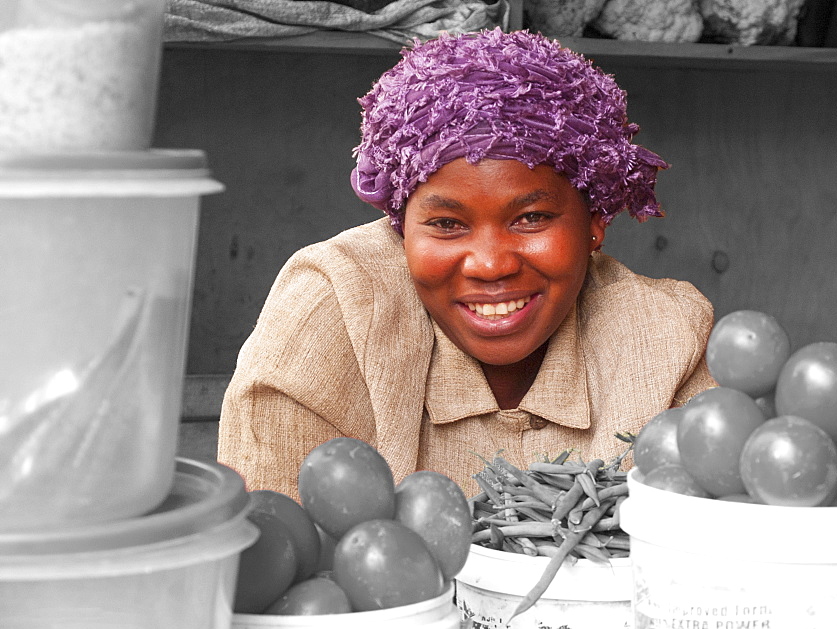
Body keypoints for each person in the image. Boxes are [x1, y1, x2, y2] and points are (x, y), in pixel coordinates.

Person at [217, 28, 716, 499]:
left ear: (595, 220)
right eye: (446, 224)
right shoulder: (334, 312)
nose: (490, 265)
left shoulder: (667, 336)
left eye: (532, 217)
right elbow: (273, 549)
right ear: (400, 225)